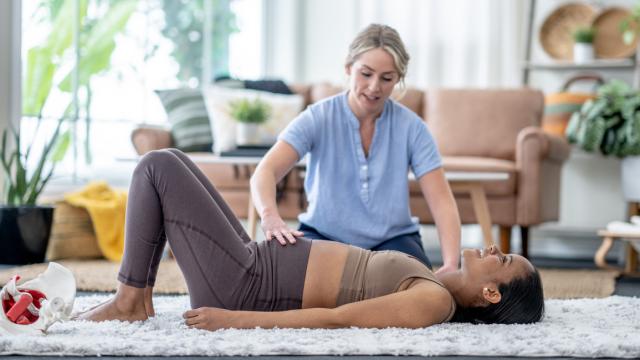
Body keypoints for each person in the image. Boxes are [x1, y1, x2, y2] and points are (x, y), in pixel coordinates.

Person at [78, 149, 544, 330]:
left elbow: (338, 319)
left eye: (500, 259)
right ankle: (135, 295)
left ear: (490, 293)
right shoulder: (434, 281)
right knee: (171, 160)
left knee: (157, 167)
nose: (491, 248)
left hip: (245, 286)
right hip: (253, 262)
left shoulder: (433, 303)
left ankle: (130, 298)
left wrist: (232, 321)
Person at [251, 24, 460, 272]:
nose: (374, 87)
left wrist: (451, 263)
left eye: (386, 78)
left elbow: (441, 202)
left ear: (398, 79)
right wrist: (269, 216)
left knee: (424, 297)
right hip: (323, 236)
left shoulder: (413, 128)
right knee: (294, 285)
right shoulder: (317, 117)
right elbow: (265, 171)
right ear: (349, 68)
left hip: (394, 241)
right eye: (366, 73)